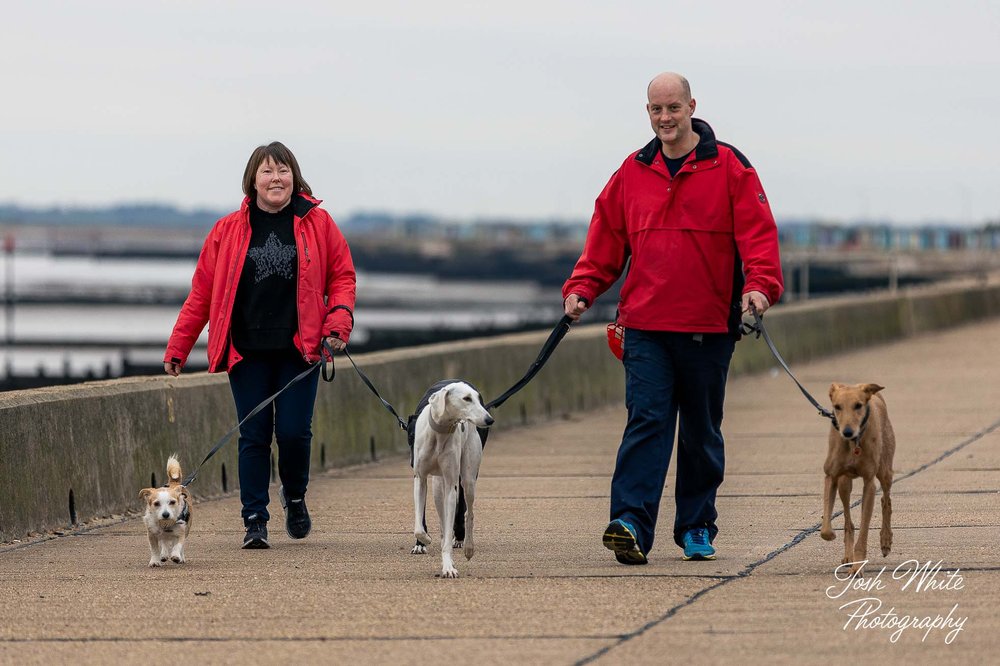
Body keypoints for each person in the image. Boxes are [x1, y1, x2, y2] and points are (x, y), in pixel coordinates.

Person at [562, 72, 783, 564]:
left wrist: (759, 287)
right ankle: (631, 525)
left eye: (673, 108)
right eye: (656, 109)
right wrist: (582, 288)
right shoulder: (632, 171)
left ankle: (697, 526)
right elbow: (605, 239)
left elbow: (758, 235)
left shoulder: (730, 166)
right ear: (648, 113)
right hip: (644, 326)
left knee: (702, 430)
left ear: (691, 107)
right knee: (646, 423)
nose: (665, 118)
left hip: (708, 325)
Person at [164, 141, 356, 549]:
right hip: (246, 351)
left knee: (292, 433)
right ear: (253, 180)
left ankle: (296, 496)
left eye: (283, 171)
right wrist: (179, 347)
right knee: (253, 434)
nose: (276, 179)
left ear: (295, 178)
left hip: (299, 350)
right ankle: (254, 519)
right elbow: (201, 293)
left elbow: (342, 276)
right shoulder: (227, 230)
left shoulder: (318, 223)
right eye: (267, 171)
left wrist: (337, 323)